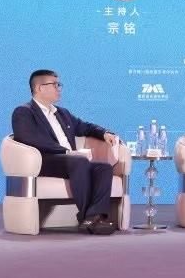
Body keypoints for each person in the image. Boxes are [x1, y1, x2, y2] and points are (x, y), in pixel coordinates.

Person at [11, 69, 120, 235]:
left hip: (71, 162)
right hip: (45, 161)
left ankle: (94, 217)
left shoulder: (62, 113)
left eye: (59, 84)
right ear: (39, 88)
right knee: (79, 161)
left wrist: (104, 133)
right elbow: (29, 139)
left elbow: (85, 127)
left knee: (103, 168)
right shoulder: (24, 112)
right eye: (54, 85)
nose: (59, 88)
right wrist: (67, 151)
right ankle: (87, 216)